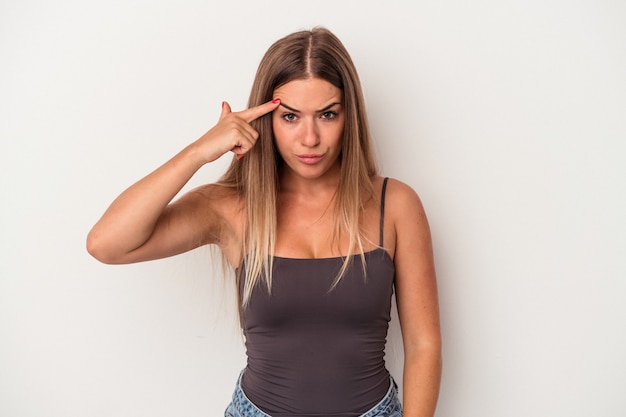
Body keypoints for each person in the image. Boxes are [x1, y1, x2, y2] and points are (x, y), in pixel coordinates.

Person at [87, 27, 441, 417]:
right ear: (266, 118)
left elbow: (424, 346)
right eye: (290, 116)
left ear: (349, 116)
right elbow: (106, 244)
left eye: (327, 114)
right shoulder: (232, 207)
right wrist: (199, 152)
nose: (310, 138)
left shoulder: (395, 205)